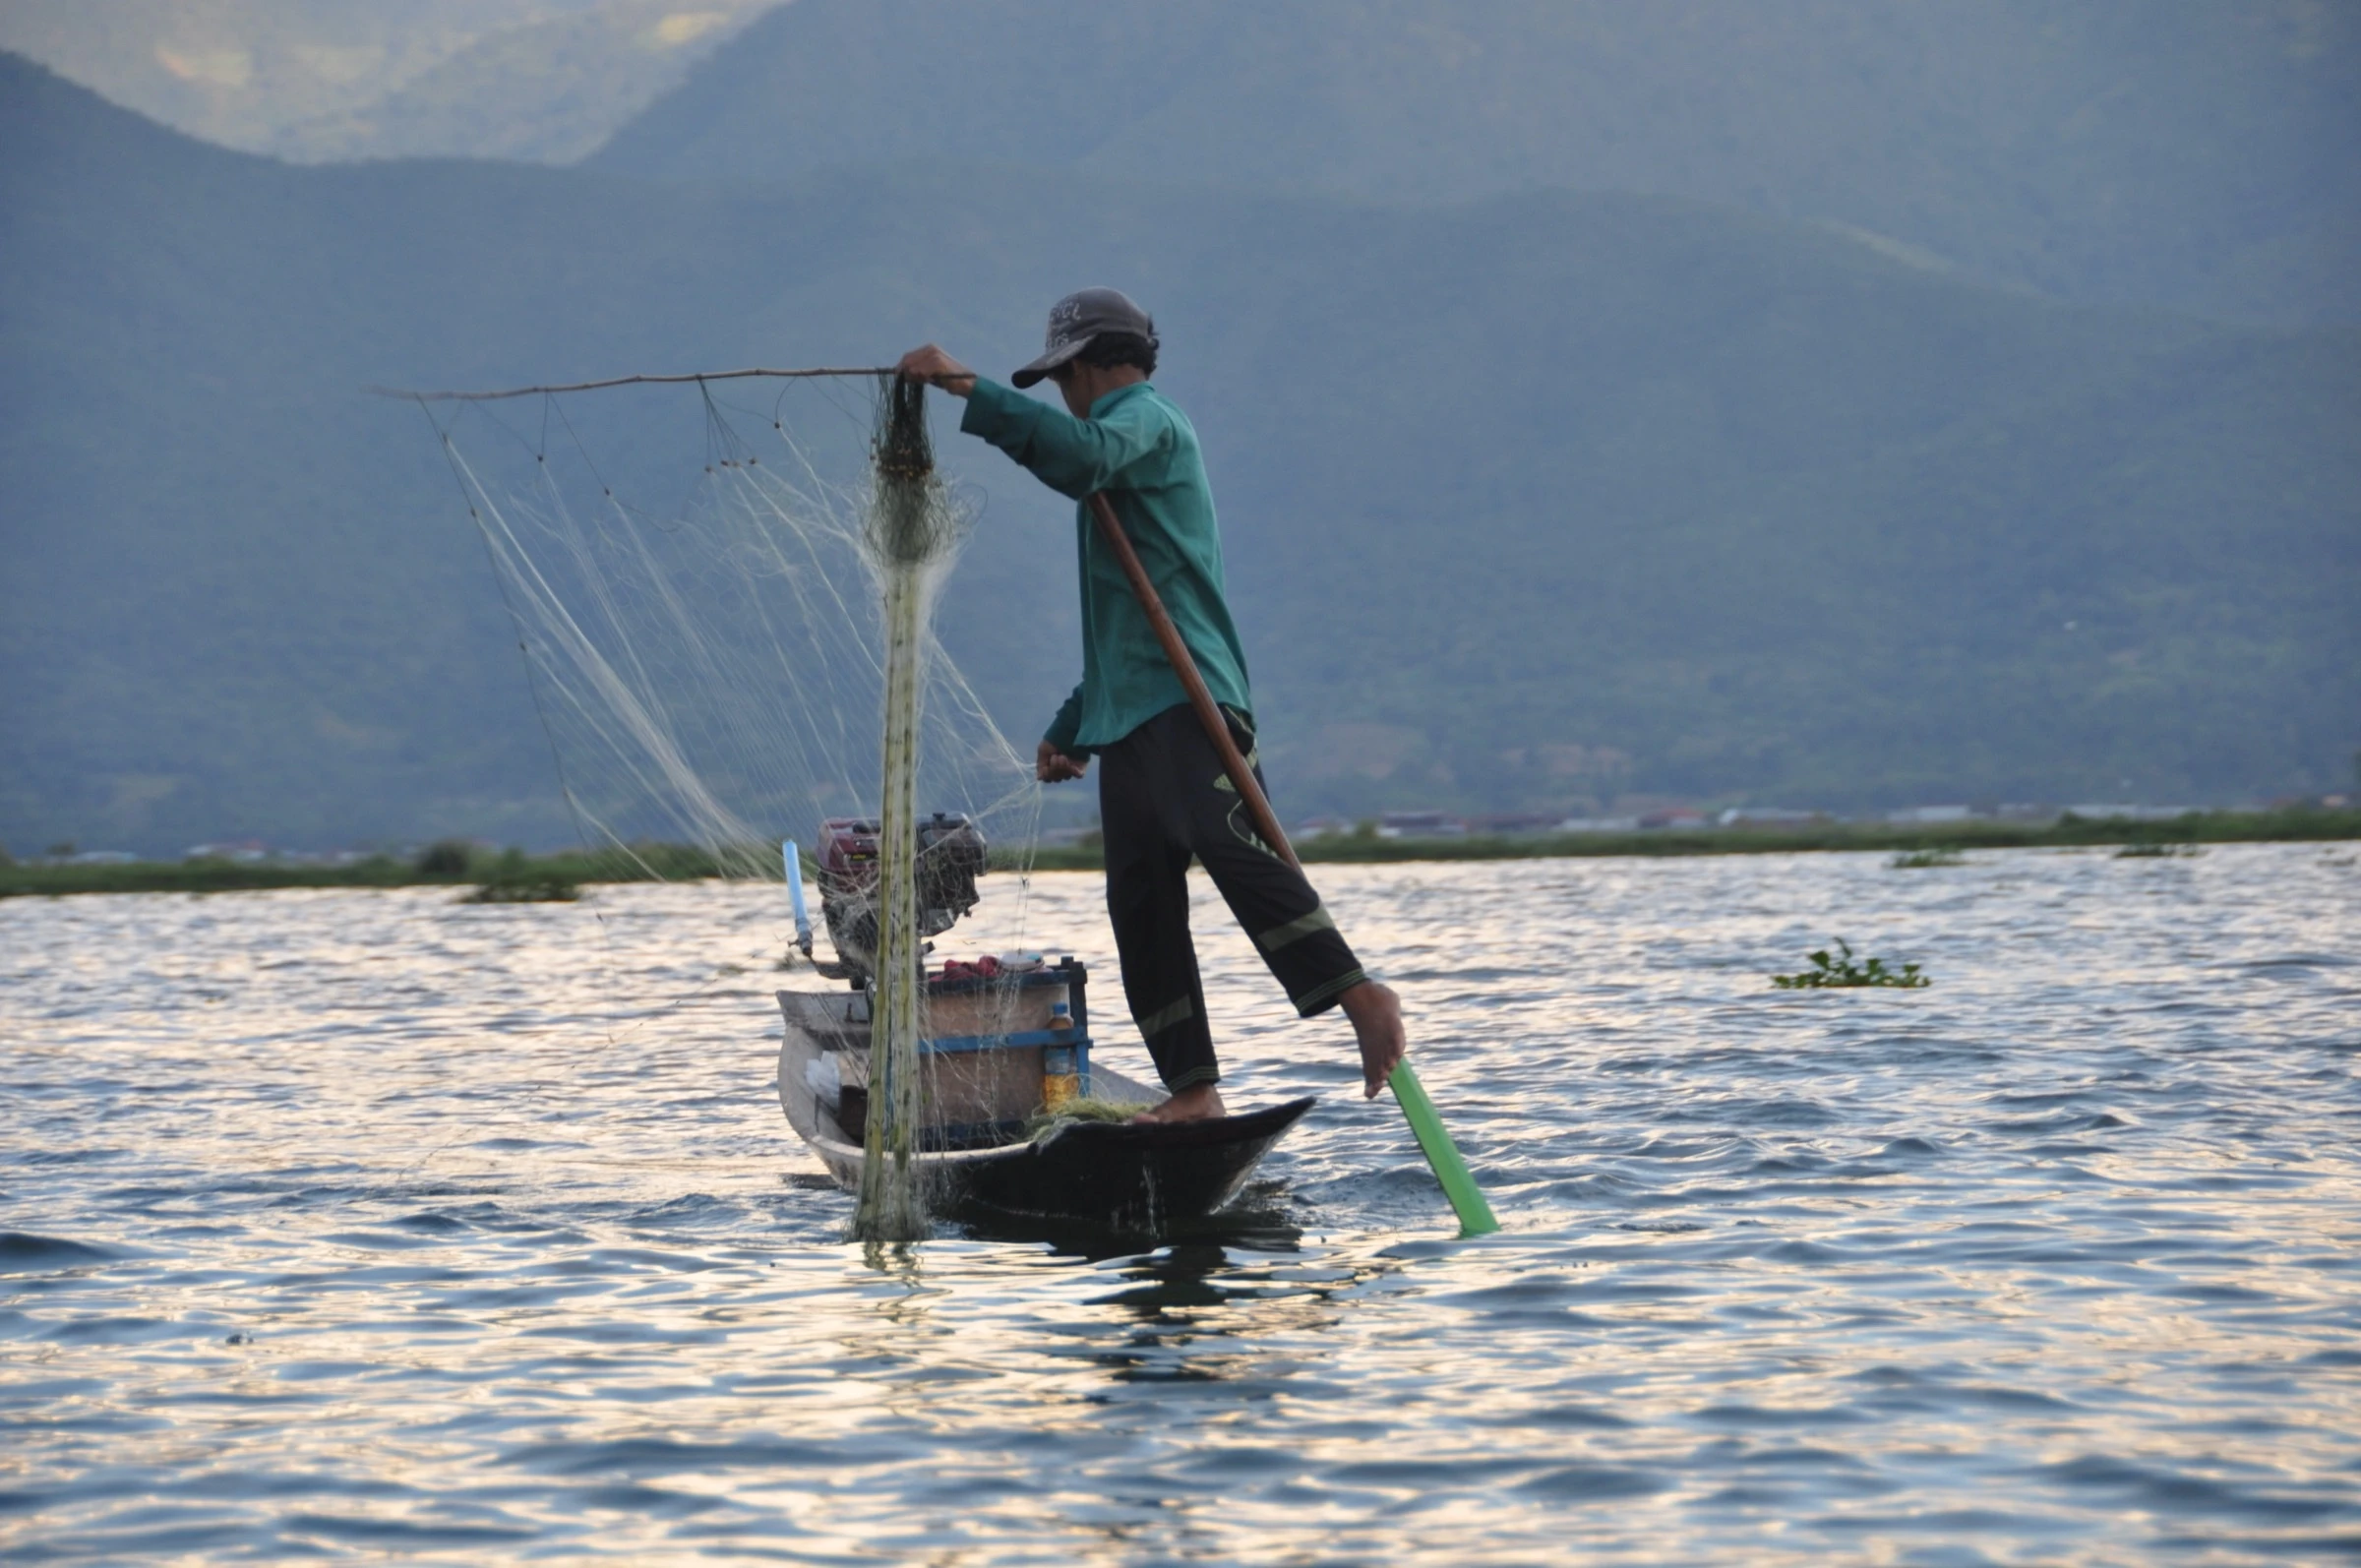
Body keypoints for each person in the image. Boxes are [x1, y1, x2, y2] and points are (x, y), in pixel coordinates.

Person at [896, 287, 1407, 1124]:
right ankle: (1193, 1090)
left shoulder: (1144, 421)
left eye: (1063, 380)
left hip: (1188, 699)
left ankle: (1359, 995)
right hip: (1134, 712)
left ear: (1090, 366)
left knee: (1231, 850)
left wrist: (966, 387)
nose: (1063, 396)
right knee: (1140, 903)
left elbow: (1080, 457)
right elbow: (1127, 635)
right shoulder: (1109, 458)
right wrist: (1073, 727)